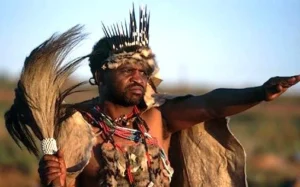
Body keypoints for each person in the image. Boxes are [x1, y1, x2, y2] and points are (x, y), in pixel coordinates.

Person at [5, 6, 300, 187]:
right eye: (127, 68)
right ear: (99, 74)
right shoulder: (76, 129)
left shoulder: (158, 118)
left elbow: (210, 105)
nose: (139, 77)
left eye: (143, 70)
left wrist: (260, 92)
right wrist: (52, 181)